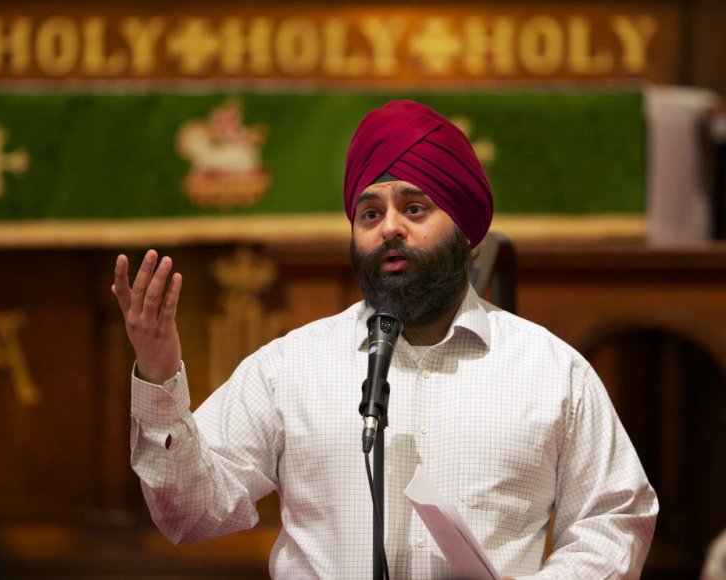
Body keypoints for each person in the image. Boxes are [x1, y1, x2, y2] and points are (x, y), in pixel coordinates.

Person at [112, 99, 658, 578]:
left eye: (414, 208)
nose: (389, 227)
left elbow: (613, 518)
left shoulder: (548, 370)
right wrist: (159, 375)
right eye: (370, 212)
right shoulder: (289, 368)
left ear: (466, 230)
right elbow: (189, 514)